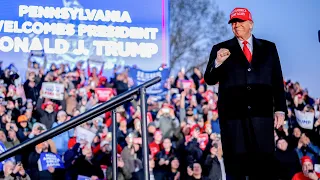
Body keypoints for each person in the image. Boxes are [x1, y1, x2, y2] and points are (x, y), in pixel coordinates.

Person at [204, 7, 287, 179]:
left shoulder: (269, 48)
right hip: (233, 120)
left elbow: (277, 80)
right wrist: (218, 62)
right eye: (233, 22)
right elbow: (210, 79)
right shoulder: (221, 49)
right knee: (236, 168)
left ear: (251, 24)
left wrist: (280, 109)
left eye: (240, 21)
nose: (236, 26)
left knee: (263, 167)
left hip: (262, 117)